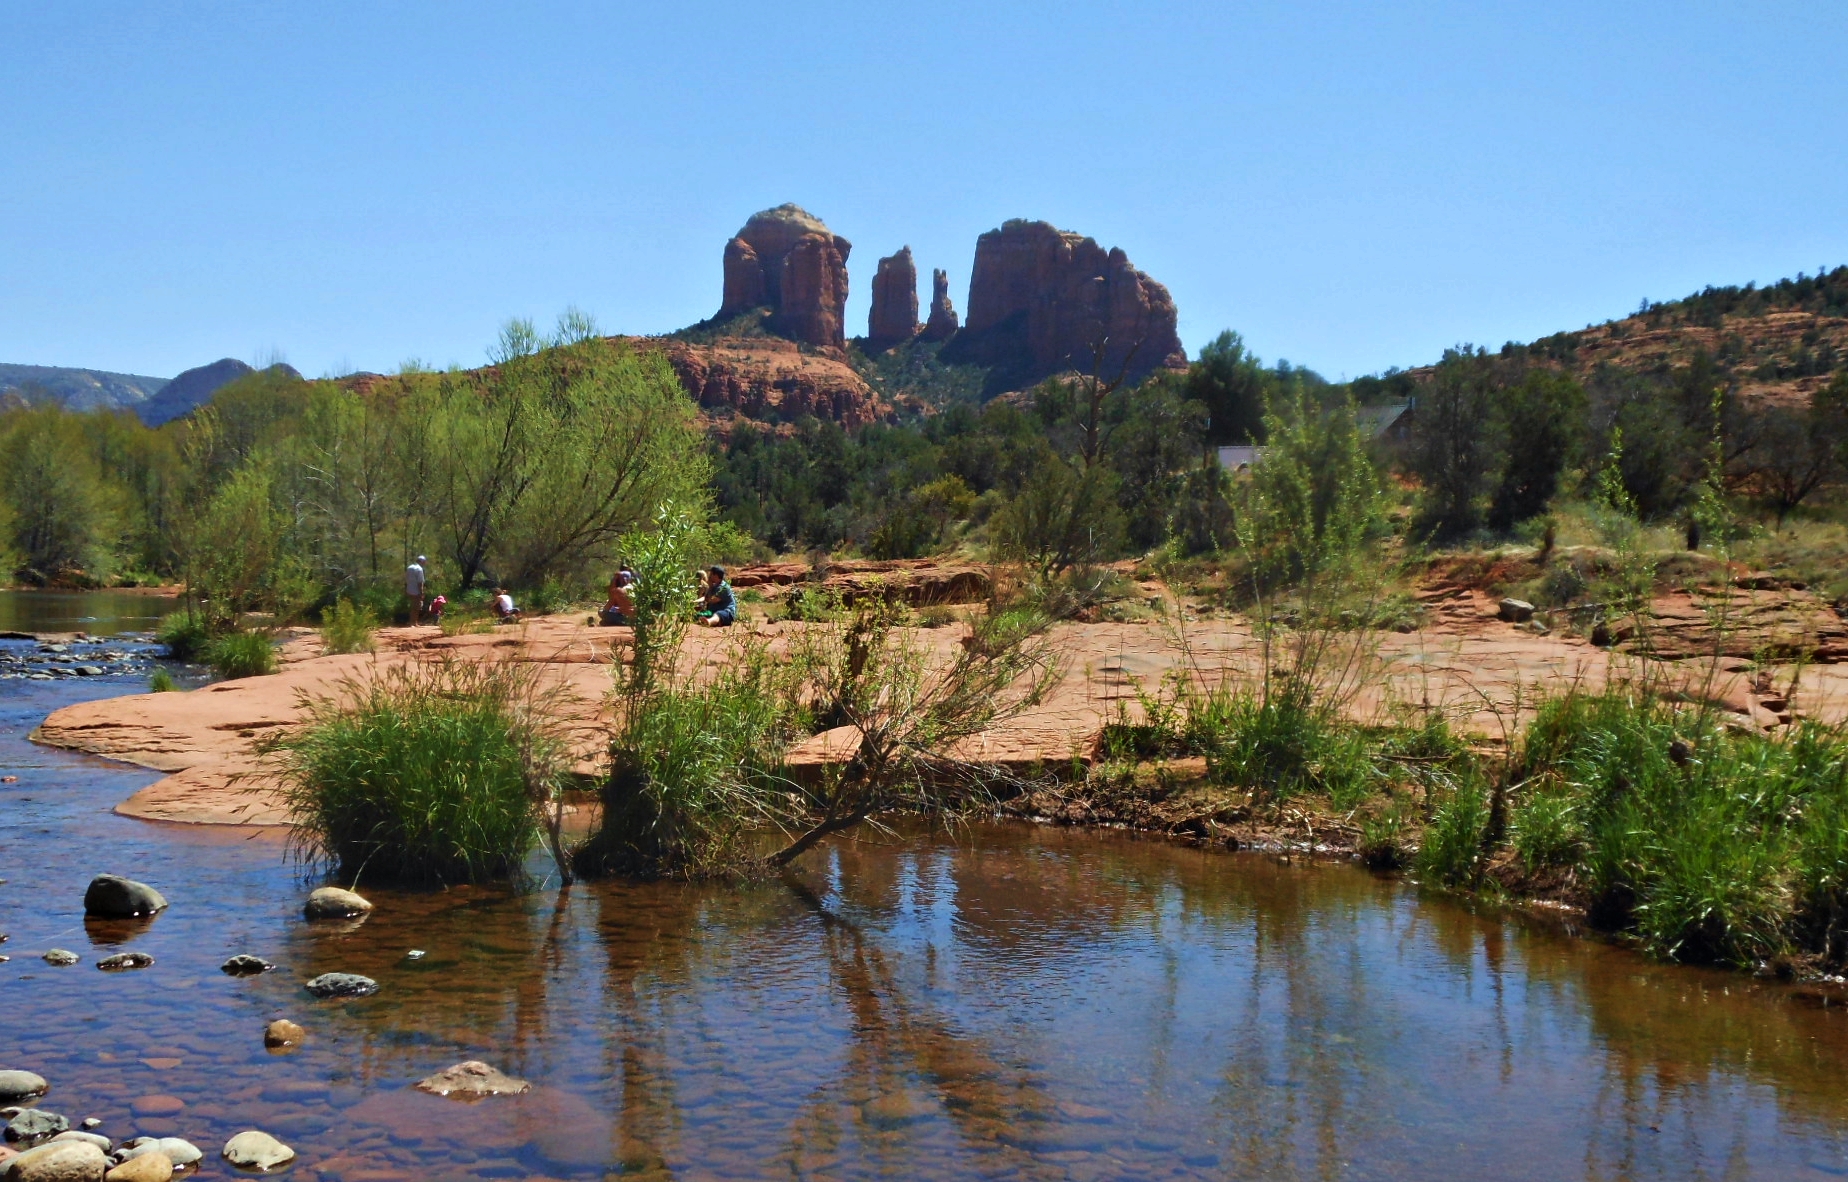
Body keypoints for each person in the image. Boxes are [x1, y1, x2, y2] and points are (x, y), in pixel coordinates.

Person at [405, 555, 428, 624]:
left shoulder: (409, 567)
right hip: (416, 591)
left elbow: (406, 579)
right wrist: (421, 592)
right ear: (422, 561)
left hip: (409, 589)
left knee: (413, 606)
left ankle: (413, 622)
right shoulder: (419, 569)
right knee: (416, 607)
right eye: (424, 562)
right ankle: (413, 622)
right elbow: (420, 582)